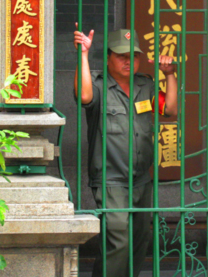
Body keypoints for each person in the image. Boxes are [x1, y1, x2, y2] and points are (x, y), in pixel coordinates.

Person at [74, 23, 177, 277]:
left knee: (138, 241)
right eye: (121, 56)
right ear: (108, 57)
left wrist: (171, 75)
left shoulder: (146, 85)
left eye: (133, 56)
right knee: (118, 242)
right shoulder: (98, 85)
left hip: (141, 179)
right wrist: (83, 55)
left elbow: (171, 111)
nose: (128, 61)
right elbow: (84, 96)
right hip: (112, 180)